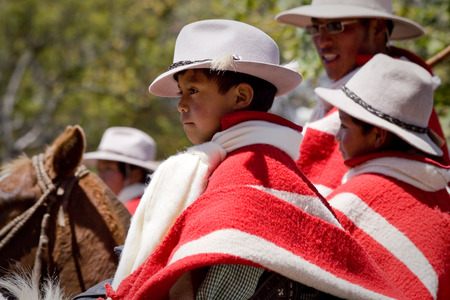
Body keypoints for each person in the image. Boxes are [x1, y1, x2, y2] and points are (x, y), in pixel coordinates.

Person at [93, 20, 408, 300]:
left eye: (192, 89)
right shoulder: (257, 163)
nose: (181, 105)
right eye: (180, 93)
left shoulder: (244, 178)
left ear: (240, 98)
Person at [275, 0, 449, 197]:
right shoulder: (340, 97)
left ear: (377, 28)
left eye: (335, 26)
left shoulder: (398, 100)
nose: (322, 41)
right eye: (316, 28)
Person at [314, 54, 450, 299]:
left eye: (344, 127)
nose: (336, 138)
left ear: (378, 136)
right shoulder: (441, 197)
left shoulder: (357, 200)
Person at [83, 127, 159, 214]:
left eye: (109, 169)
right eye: (99, 170)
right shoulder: (149, 206)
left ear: (135, 175)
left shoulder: (131, 212)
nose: (100, 177)